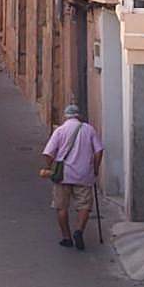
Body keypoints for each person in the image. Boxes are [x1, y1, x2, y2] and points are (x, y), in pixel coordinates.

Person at [41, 104, 103, 250]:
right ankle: (79, 231)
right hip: (84, 174)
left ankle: (66, 237)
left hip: (63, 175)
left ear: (65, 116)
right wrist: (95, 169)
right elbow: (99, 151)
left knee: (61, 207)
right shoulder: (89, 129)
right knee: (84, 205)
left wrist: (52, 168)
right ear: (79, 116)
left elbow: (48, 153)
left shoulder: (60, 131)